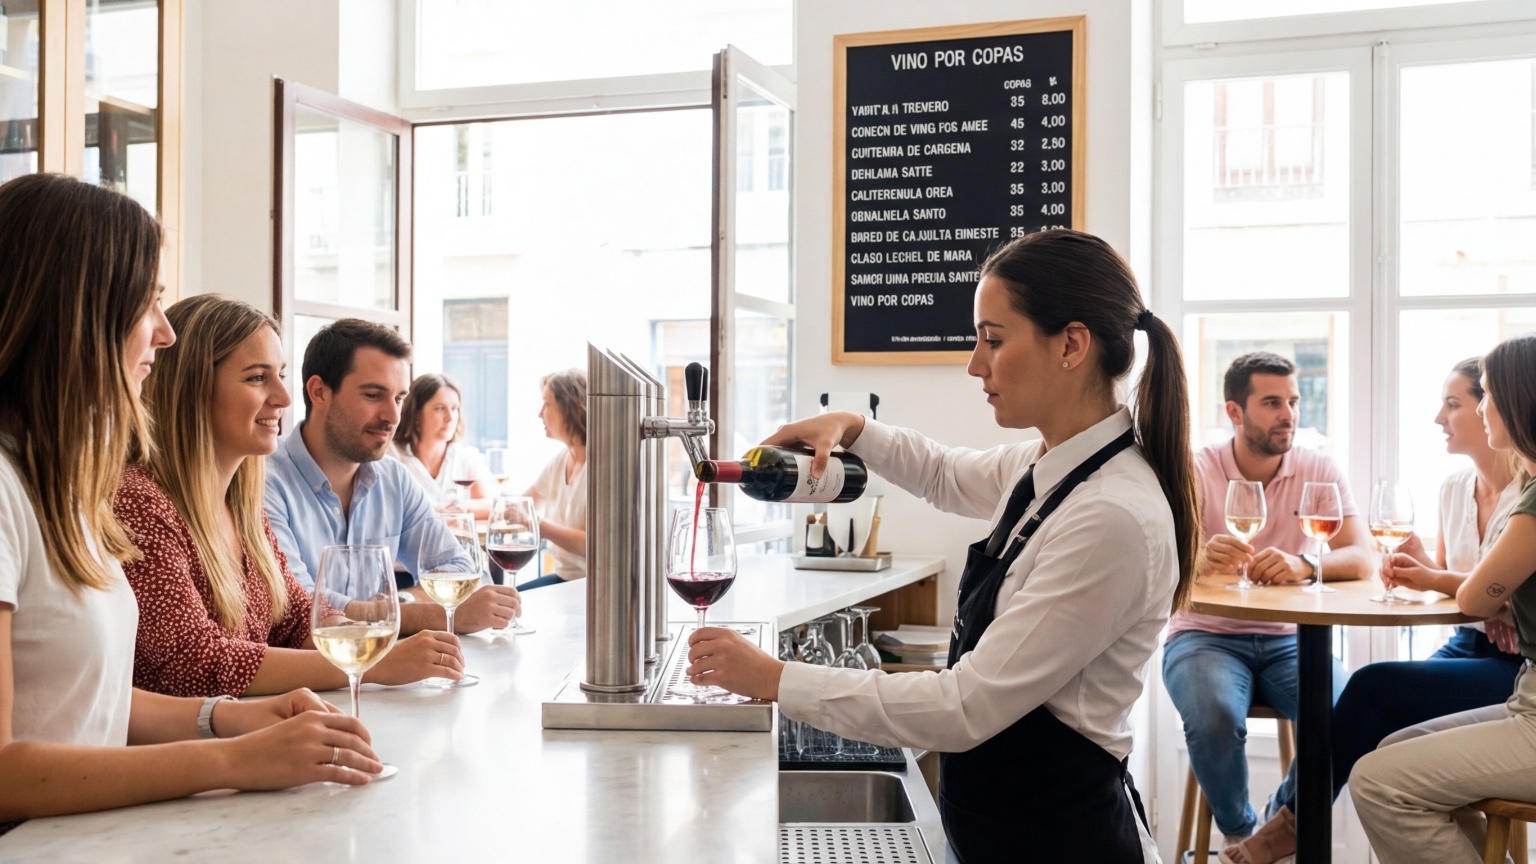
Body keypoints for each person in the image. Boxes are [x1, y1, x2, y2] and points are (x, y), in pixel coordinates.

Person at [685, 229, 1199, 863]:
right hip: (1002, 832)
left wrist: (775, 678)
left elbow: (964, 706)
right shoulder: (1049, 466)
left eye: (993, 339)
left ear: (1071, 344)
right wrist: (853, 426)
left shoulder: (1111, 516)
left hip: (1061, 843)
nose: (975, 364)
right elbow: (942, 473)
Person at [0, 174, 383, 831]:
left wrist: (230, 719)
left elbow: (90, 703)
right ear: (78, 314)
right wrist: (233, 759)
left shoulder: (60, 487)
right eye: (147, 303)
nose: (165, 333)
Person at [1223, 357, 1523, 864]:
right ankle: (1293, 821)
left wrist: (1440, 581)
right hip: (1467, 645)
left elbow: (1492, 594)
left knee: (1371, 690)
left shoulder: (1525, 496)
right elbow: (1460, 591)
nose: (1439, 417)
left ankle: (1289, 824)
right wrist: (1420, 566)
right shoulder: (1455, 488)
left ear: (1492, 409)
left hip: (1515, 663)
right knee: (1371, 705)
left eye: (1454, 404)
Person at [120, 294, 464, 698]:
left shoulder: (240, 503)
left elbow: (298, 619)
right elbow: (193, 664)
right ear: (191, 389)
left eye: (280, 375)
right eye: (257, 378)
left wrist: (377, 645)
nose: (284, 398)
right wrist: (377, 661)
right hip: (196, 739)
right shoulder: (139, 503)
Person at [1162, 352, 1371, 852]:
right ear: (1234, 412)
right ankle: (1242, 832)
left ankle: (1281, 827)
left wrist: (1306, 565)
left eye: (1293, 402)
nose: (1289, 414)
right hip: (1203, 635)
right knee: (1213, 717)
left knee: (1348, 711)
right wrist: (1198, 557)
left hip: (1292, 638)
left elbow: (1363, 557)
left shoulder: (1318, 468)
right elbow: (1156, 556)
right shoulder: (1195, 468)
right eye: (1273, 403)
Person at [1349, 334, 1536, 864]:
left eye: (1487, 394)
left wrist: (1439, 578)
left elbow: (1476, 597)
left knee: (1377, 782)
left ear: (1517, 402)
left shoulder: (1532, 501)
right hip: (1525, 696)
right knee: (1393, 751)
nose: (1483, 407)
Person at [263, 318, 520, 635]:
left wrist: (396, 603)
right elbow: (297, 605)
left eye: (399, 398)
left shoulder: (394, 479)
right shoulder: (264, 480)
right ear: (319, 393)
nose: (393, 416)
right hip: (311, 667)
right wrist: (433, 615)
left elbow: (465, 573)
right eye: (373, 395)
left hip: (387, 663)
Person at [514, 369, 588, 591]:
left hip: (589, 584)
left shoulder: (602, 468)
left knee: (507, 604)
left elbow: (595, 545)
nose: (540, 414)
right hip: (564, 578)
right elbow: (523, 505)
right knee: (501, 601)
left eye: (546, 404)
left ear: (569, 407)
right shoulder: (561, 460)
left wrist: (540, 526)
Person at [389, 373, 497, 518]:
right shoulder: (392, 457)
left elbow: (494, 506)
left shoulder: (464, 457)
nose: (450, 418)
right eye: (439, 408)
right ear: (416, 414)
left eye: (454, 408)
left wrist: (460, 509)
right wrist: (435, 514)